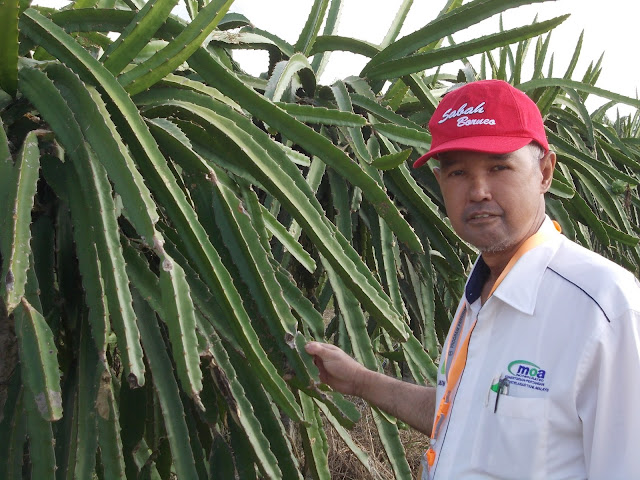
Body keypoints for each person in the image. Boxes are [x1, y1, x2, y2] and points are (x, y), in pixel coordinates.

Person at [305, 79, 640, 479]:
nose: (478, 191)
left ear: (545, 172)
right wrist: (359, 380)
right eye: (457, 172)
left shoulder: (603, 307)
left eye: (499, 167)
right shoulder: (480, 293)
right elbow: (462, 416)